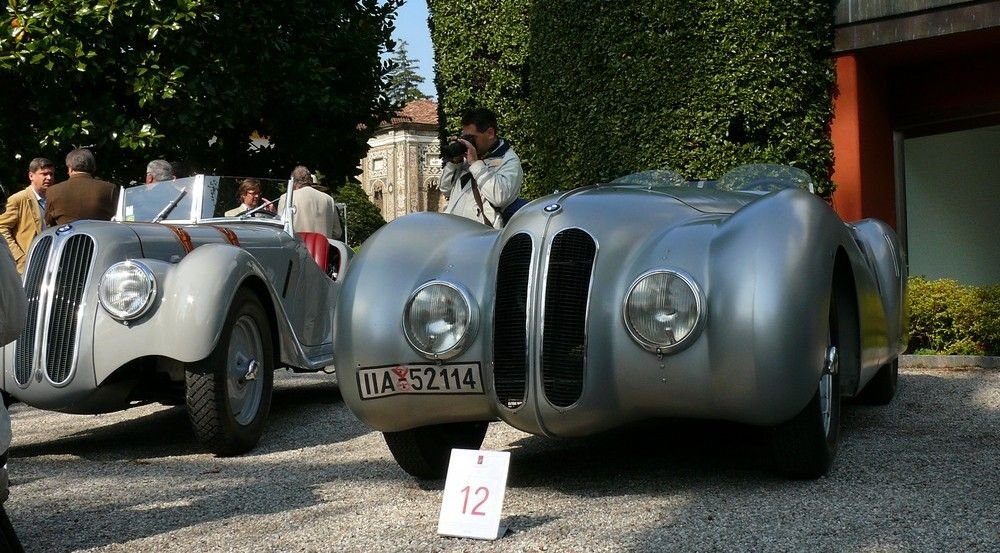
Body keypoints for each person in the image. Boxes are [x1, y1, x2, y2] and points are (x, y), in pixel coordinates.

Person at [439, 107, 523, 228]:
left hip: (481, 237)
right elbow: (445, 189)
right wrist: (454, 163)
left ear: (490, 133)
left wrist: (475, 164)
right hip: (454, 233)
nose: (469, 142)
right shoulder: (468, 158)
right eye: (465, 137)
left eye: (472, 138)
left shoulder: (508, 160)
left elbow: (500, 197)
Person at [0, 157, 55, 272]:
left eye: (51, 174)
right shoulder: (18, 199)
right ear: (31, 176)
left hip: (50, 263)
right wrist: (19, 257)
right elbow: (1, 228)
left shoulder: (53, 199)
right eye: (44, 174)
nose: (49, 178)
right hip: (27, 268)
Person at [44, 148, 117, 227]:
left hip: (67, 237)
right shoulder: (109, 189)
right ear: (92, 167)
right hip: (100, 237)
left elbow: (48, 221)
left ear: (70, 168)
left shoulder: (53, 191)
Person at [277, 166, 342, 239]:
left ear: (293, 183)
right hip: (321, 248)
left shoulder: (286, 198)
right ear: (310, 180)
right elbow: (337, 232)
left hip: (296, 248)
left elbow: (280, 228)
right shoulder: (329, 199)